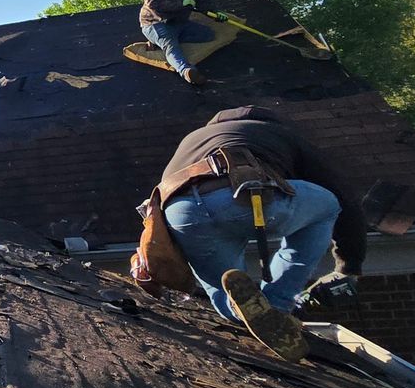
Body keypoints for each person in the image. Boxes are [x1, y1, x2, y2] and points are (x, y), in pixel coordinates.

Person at [155, 106, 366, 361]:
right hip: (245, 197)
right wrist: (349, 266)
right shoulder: (278, 134)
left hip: (182, 214)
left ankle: (246, 312)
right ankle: (277, 302)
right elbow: (345, 197)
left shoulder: (193, 138)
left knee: (228, 299)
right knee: (329, 205)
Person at [140, 0, 213, 84]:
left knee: (207, 35)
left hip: (180, 22)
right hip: (156, 23)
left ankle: (157, 42)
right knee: (171, 45)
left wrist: (215, 12)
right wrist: (181, 4)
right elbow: (153, 4)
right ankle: (186, 71)